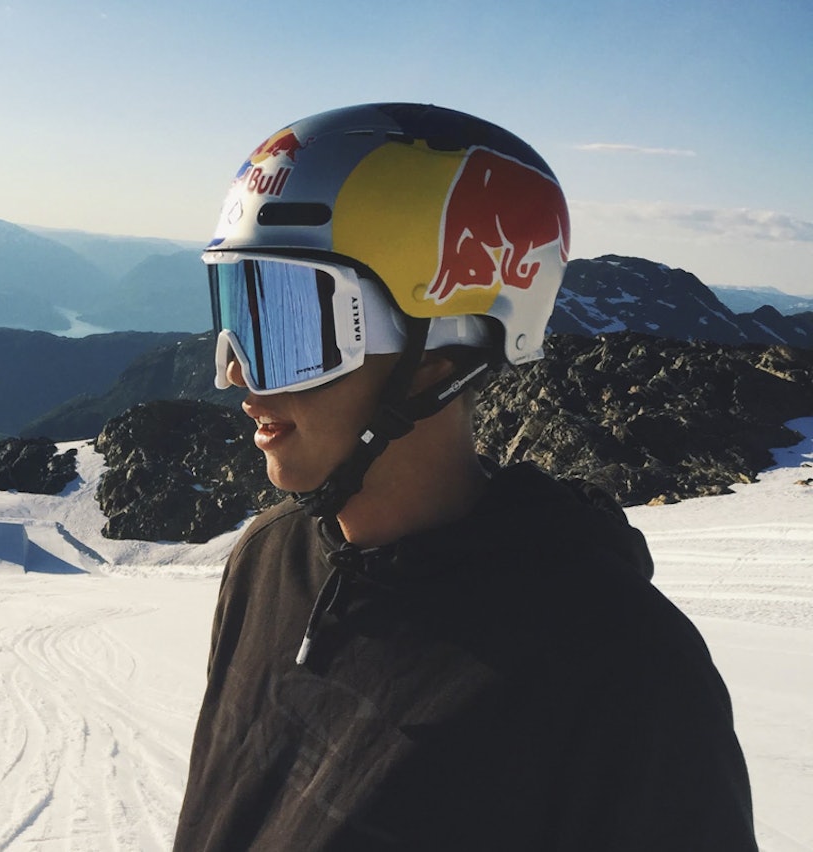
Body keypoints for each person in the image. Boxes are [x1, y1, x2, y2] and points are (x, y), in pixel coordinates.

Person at [173, 103, 756, 851]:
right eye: (232, 311)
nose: (237, 376)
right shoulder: (267, 561)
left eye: (285, 324)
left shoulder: (622, 672)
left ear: (439, 355)